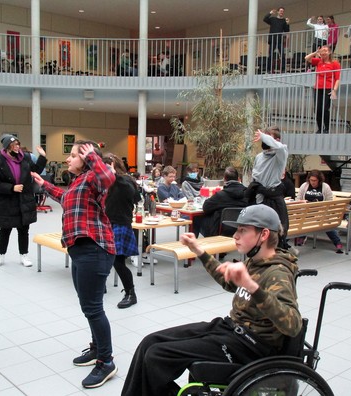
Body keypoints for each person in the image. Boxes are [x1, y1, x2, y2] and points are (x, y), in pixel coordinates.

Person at [121, 204, 301, 396]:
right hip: (230, 329)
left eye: (243, 230)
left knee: (157, 355)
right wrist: (198, 250)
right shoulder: (255, 261)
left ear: (263, 235)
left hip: (249, 345)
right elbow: (227, 281)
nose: (236, 236)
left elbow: (293, 324)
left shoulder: (278, 273)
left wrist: (252, 286)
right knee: (150, 342)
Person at [31, 140, 118, 389]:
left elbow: (108, 178)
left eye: (72, 155)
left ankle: (106, 361)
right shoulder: (79, 182)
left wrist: (91, 156)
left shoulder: (95, 176)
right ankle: (96, 349)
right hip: (80, 250)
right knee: (87, 306)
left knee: (93, 308)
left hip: (94, 248)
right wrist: (44, 184)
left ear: (86, 158)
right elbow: (66, 197)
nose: (68, 160)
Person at [0, 134, 46, 268]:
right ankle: (0, 256)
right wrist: (11, 187)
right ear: (7, 147)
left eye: (18, 144)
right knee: (5, 230)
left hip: (24, 199)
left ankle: (24, 255)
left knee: (23, 229)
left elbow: (36, 170)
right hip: (7, 201)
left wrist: (42, 156)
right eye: (14, 145)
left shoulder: (24, 157)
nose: (17, 147)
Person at [102, 153, 141, 309]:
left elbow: (135, 197)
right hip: (106, 223)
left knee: (118, 262)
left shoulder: (125, 180)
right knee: (104, 258)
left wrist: (114, 175)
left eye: (106, 166)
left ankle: (131, 294)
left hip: (120, 224)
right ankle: (101, 285)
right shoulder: (106, 181)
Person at [295, 170, 344, 253]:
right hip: (306, 211)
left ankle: (337, 242)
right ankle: (301, 237)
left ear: (319, 180)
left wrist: (321, 206)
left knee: (326, 223)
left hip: (320, 212)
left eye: (315, 180)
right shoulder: (305, 186)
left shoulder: (325, 187)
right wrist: (303, 203)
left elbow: (329, 201)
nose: (313, 182)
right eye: (311, 180)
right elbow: (298, 198)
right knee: (303, 220)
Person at [200, 166, 247, 237]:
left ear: (224, 180)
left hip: (220, 231)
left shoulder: (220, 195)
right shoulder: (248, 194)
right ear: (238, 179)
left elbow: (205, 208)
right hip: (243, 230)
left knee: (198, 219)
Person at [305, 45, 341, 134]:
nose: (323, 52)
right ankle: (320, 128)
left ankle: (327, 128)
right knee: (317, 109)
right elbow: (306, 58)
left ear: (329, 52)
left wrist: (334, 90)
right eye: (321, 51)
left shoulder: (335, 63)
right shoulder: (318, 61)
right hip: (318, 88)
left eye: (325, 50)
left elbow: (337, 79)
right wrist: (315, 53)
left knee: (325, 109)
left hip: (328, 88)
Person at [263, 7, 290, 73]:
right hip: (272, 39)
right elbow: (265, 19)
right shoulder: (273, 19)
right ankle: (269, 69)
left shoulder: (284, 20)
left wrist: (287, 23)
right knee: (270, 55)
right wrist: (270, 13)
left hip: (280, 40)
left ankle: (283, 69)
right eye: (280, 11)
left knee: (282, 55)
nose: (281, 12)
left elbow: (286, 30)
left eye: (282, 11)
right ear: (278, 12)